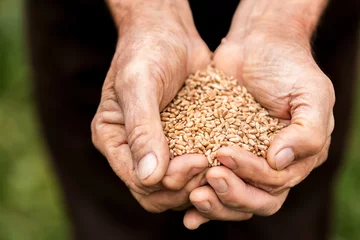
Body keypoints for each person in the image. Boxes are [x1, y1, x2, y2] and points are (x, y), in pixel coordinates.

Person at [26, 0, 359, 239]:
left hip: (299, 30)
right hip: (101, 24)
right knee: (116, 213)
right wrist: (148, 13)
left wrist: (283, 19)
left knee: (286, 215)